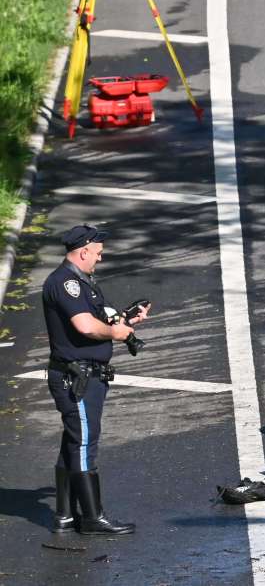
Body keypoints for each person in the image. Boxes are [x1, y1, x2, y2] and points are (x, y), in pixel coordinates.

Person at [43, 224, 149, 535]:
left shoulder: (82, 282)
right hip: (77, 377)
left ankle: (64, 514)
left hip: (86, 374)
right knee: (84, 442)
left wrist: (126, 321)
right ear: (83, 250)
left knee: (73, 441)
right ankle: (91, 518)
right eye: (98, 253)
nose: (100, 258)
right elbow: (86, 326)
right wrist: (114, 333)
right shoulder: (65, 283)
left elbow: (98, 320)